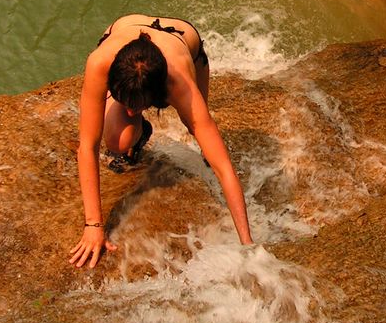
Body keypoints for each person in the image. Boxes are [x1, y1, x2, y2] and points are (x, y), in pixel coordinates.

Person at [71, 14, 254, 268]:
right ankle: (139, 134)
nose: (132, 112)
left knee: (201, 135)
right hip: (125, 31)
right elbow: (88, 147)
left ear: (160, 96)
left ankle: (163, 116)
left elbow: (224, 168)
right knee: (116, 140)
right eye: (127, 104)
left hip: (183, 41)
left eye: (140, 107)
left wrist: (248, 246)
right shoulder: (100, 63)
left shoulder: (179, 81)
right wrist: (93, 225)